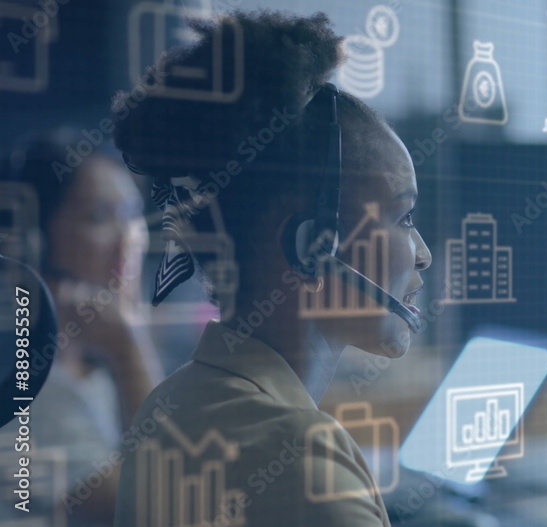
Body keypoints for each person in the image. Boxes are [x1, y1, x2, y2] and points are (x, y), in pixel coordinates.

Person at [111, 10, 431, 526]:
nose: (422, 251)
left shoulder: (170, 403)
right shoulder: (303, 457)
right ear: (311, 244)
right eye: (403, 216)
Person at [0, 129, 164, 526]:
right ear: (32, 242)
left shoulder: (89, 365)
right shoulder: (31, 384)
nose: (129, 240)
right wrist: (130, 349)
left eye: (132, 215)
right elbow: (159, 504)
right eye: (99, 217)